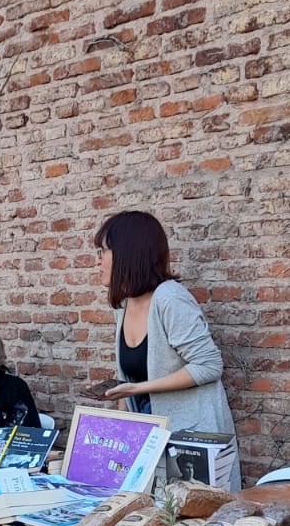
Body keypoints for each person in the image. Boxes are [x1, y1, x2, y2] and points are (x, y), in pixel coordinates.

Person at [93, 209, 241, 488]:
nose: (97, 262)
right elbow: (128, 376)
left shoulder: (170, 298)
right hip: (154, 437)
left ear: (127, 253)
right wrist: (122, 428)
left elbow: (209, 366)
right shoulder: (123, 305)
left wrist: (138, 388)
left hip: (194, 442)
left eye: (103, 252)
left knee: (194, 524)